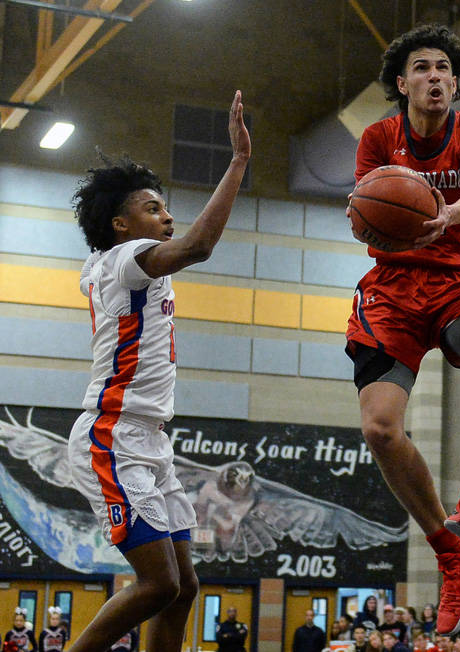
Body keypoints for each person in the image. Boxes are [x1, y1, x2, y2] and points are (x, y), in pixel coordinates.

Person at [345, 23, 460, 637]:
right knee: (380, 429)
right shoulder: (377, 138)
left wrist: (444, 215)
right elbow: (366, 210)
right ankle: (452, 549)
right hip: (391, 291)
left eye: (444, 68)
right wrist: (368, 219)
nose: (436, 77)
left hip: (455, 282)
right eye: (422, 67)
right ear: (402, 82)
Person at [64, 91, 249, 652]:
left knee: (184, 587)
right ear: (121, 225)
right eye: (152, 208)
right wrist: (238, 162)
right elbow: (201, 245)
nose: (166, 216)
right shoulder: (125, 260)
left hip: (149, 440)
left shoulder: (111, 263)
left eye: (164, 207)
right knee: (159, 583)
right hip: (113, 436)